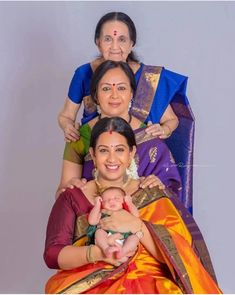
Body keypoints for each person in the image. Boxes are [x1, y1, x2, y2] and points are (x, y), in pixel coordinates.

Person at [44, 117, 221, 294]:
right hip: (91, 282)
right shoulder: (72, 196)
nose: (112, 159)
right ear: (93, 154)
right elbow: (52, 255)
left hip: (151, 281)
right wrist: (98, 253)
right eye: (104, 150)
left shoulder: (151, 191)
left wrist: (137, 226)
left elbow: (179, 255)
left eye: (120, 150)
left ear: (131, 153)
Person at [58, 12, 194, 212]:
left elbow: (171, 121)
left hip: (144, 156)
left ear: (132, 44)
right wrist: (68, 127)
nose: (114, 47)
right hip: (93, 161)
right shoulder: (84, 75)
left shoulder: (148, 79)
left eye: (121, 39)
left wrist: (163, 131)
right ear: (97, 43)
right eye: (108, 39)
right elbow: (65, 116)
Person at [58, 60, 182, 202]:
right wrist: (70, 191)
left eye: (121, 88)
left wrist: (159, 188)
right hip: (92, 219)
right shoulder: (80, 137)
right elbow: (61, 196)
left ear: (131, 94)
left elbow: (172, 198)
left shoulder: (150, 137)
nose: (114, 95)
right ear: (95, 95)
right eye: (106, 89)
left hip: (139, 220)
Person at [87, 186, 140, 260]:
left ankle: (123, 251)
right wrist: (97, 205)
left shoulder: (126, 212)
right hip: (107, 237)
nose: (111, 201)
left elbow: (136, 216)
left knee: (134, 237)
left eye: (116, 198)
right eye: (106, 200)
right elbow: (92, 222)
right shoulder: (102, 212)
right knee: (99, 232)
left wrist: (129, 202)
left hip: (125, 238)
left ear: (124, 200)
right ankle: (106, 249)